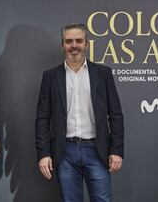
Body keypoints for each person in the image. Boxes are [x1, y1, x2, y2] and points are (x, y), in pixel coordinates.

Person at [35, 23, 124, 202]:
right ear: (62, 45)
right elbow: (42, 119)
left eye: (79, 41)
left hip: (97, 151)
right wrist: (43, 153)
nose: (74, 46)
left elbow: (115, 114)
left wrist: (117, 150)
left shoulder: (103, 73)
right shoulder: (51, 76)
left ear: (86, 44)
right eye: (69, 41)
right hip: (64, 152)